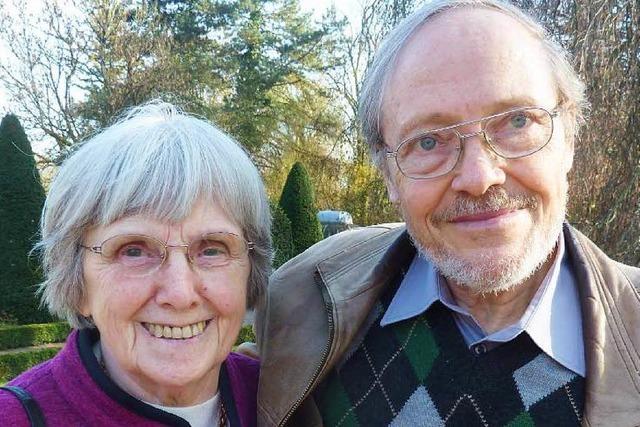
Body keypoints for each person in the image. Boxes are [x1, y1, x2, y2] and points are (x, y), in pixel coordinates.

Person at [248, 1, 640, 426]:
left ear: (569, 138)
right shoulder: (302, 302)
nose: (479, 176)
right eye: (430, 142)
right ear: (389, 176)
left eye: (517, 121)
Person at [0, 101, 271, 426]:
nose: (180, 293)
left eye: (212, 249)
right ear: (78, 282)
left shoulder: (292, 398)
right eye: (133, 251)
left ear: (250, 271)